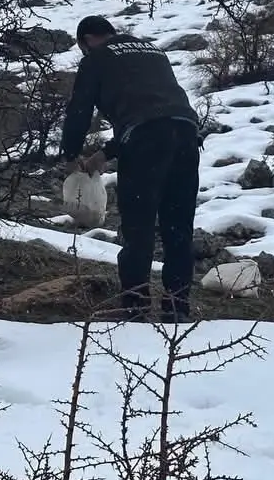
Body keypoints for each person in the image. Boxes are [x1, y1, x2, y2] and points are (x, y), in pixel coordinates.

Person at [59, 16, 201, 321]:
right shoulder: (153, 51)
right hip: (187, 134)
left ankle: (135, 308)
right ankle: (177, 307)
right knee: (178, 227)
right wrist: (105, 154)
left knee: (139, 227)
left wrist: (70, 154)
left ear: (86, 41)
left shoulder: (96, 58)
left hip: (145, 141)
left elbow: (80, 110)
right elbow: (155, 109)